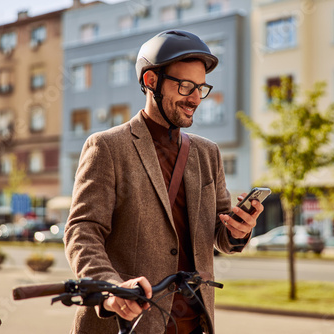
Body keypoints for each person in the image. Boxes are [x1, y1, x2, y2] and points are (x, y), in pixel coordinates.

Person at [64, 30, 264, 334]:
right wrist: (111, 288)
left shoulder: (208, 153)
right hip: (128, 322)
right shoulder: (107, 147)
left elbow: (220, 234)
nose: (195, 98)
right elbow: (83, 230)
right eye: (185, 86)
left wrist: (238, 230)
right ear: (151, 81)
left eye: (201, 87)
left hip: (195, 324)